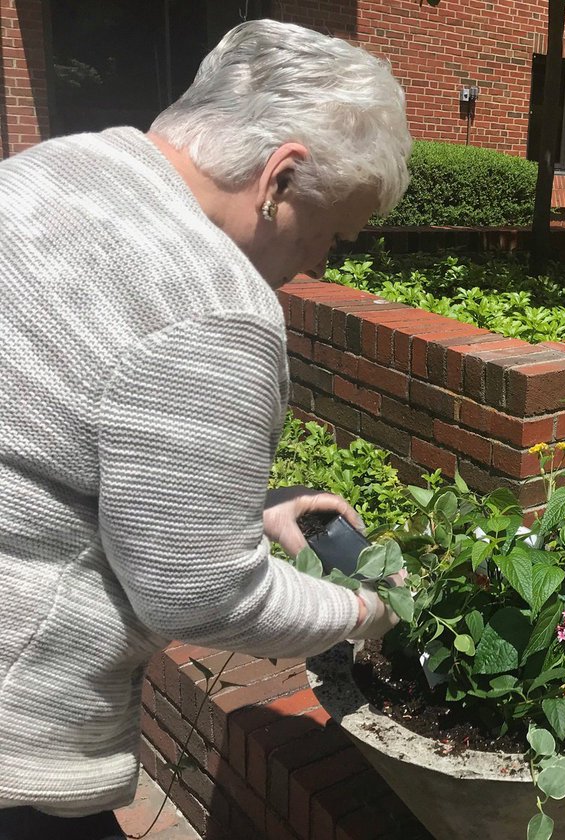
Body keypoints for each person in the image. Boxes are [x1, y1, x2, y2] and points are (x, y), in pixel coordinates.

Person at [0, 19, 410, 837]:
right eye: (332, 231)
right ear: (280, 178)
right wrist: (372, 608)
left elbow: (51, 436)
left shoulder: (55, 168)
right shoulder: (211, 305)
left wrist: (237, 513)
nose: (323, 262)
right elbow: (206, 598)